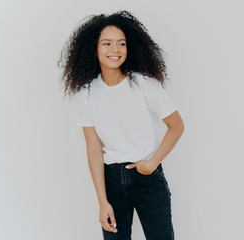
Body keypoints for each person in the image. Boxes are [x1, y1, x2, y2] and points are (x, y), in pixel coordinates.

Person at [58, 10, 184, 240]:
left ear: (129, 48)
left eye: (121, 44)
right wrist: (102, 201)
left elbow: (176, 126)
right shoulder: (87, 92)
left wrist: (152, 163)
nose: (114, 50)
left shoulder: (145, 84)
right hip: (112, 180)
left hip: (148, 178)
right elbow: (94, 148)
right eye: (106, 43)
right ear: (94, 50)